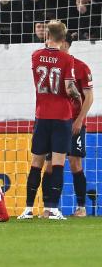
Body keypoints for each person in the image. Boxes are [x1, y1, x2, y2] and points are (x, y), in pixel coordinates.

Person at [18, 20, 81, 220]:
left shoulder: (35, 56)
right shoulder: (66, 59)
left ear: (47, 36)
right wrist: (77, 96)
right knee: (58, 163)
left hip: (41, 115)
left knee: (36, 163)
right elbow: (69, 87)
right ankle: (53, 208)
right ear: (63, 39)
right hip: (62, 117)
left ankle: (28, 209)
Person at [40, 32, 94, 217]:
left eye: (54, 41)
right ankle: (48, 208)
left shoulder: (81, 67)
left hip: (73, 123)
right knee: (49, 165)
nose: (50, 43)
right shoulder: (48, 65)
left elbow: (89, 97)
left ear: (64, 44)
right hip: (53, 122)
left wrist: (79, 120)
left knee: (75, 162)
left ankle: (81, 208)